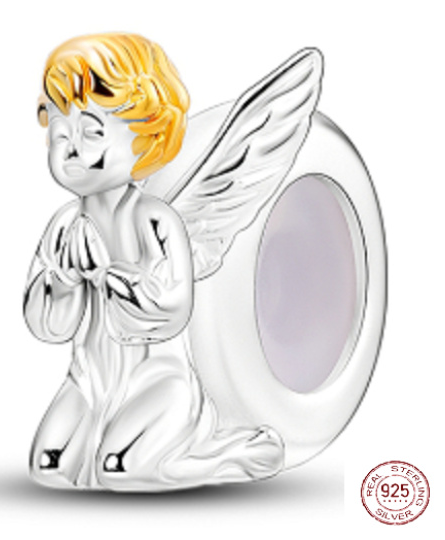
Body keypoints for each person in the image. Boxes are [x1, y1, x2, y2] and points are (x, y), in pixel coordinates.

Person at [24, 33, 282, 490]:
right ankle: (109, 435)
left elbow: (171, 311)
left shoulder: (156, 220)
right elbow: (49, 326)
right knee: (49, 466)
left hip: (156, 381)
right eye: (60, 134)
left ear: (147, 137)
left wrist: (108, 277)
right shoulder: (64, 226)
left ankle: (227, 454)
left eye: (92, 132)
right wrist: (63, 278)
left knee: (120, 469)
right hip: (88, 380)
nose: (71, 149)